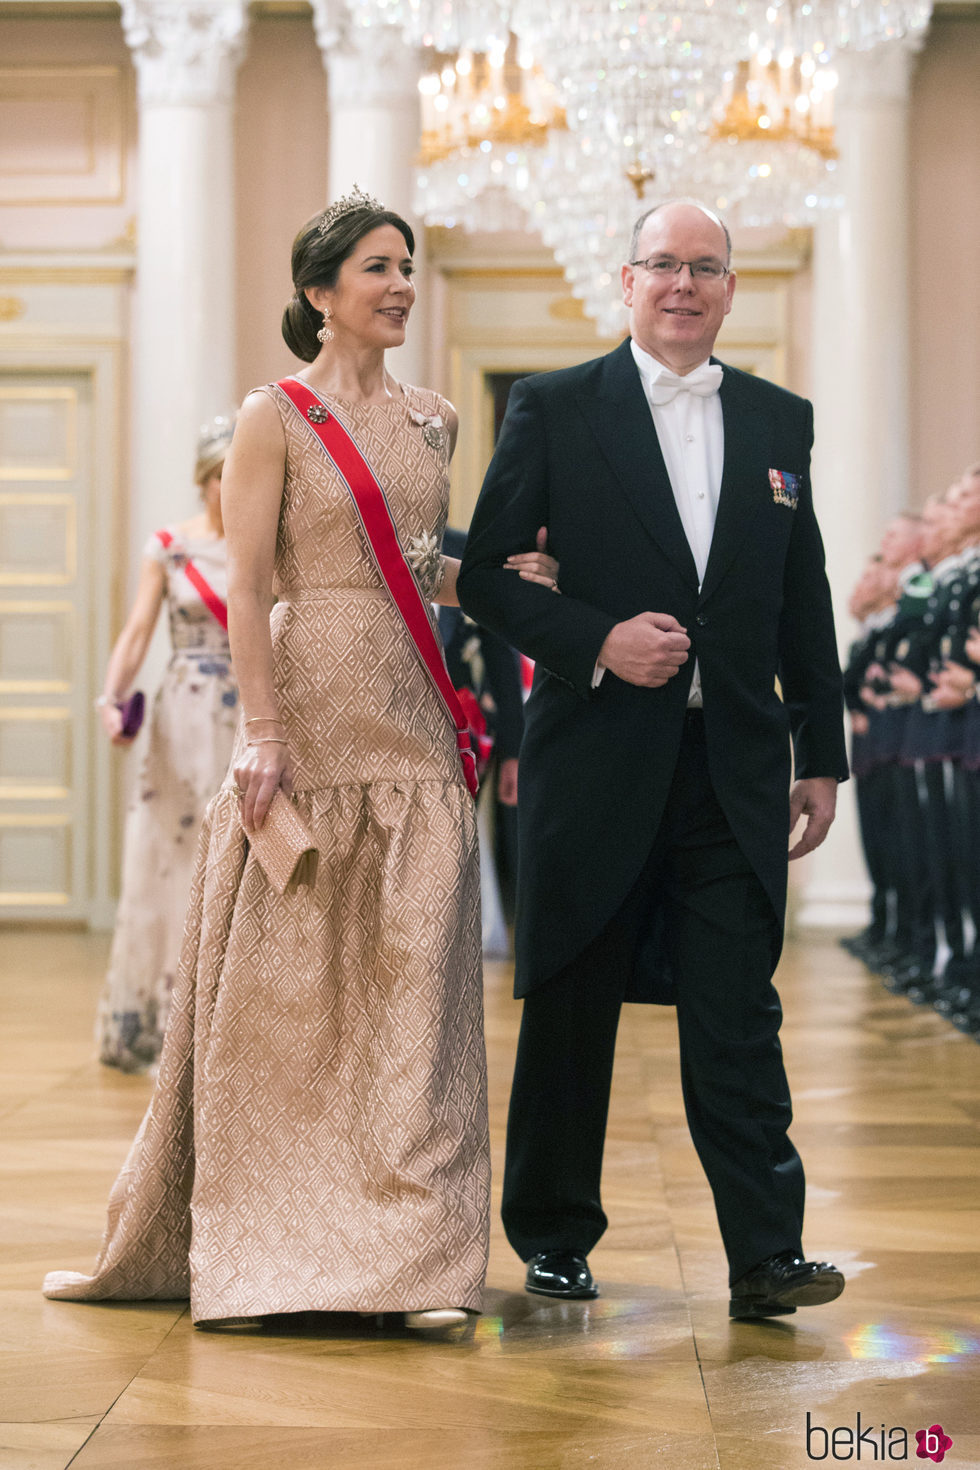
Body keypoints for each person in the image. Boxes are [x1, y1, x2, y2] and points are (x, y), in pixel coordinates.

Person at [44, 188, 558, 1331]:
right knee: (296, 985)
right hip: (311, 708)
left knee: (418, 974)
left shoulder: (435, 420)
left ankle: (417, 1260)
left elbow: (418, 568)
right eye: (376, 268)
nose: (400, 285)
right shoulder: (271, 415)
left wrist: (498, 587)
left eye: (408, 265)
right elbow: (253, 585)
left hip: (417, 711)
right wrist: (263, 732)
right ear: (319, 293)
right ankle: (283, 1236)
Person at [458, 198, 850, 1321]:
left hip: (730, 765)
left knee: (736, 1011)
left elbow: (798, 597)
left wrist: (818, 751)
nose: (683, 285)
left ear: (730, 290)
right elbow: (484, 575)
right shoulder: (553, 406)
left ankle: (766, 1254)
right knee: (573, 1001)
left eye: (706, 268)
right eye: (663, 266)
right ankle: (550, 1235)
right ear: (625, 282)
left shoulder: (781, 420)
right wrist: (596, 642)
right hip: (593, 763)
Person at [94, 417, 238, 1072]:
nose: (233, 486)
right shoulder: (171, 548)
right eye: (223, 474)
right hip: (183, 715)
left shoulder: (269, 546)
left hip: (249, 716)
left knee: (236, 862)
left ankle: (227, 1028)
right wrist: (111, 697)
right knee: (175, 858)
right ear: (205, 478)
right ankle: (167, 1024)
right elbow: (136, 631)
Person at [440, 524, 526, 951]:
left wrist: (513, 749)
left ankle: (454, 942)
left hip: (460, 725)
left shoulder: (466, 547)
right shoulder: (363, 531)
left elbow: (498, 648)